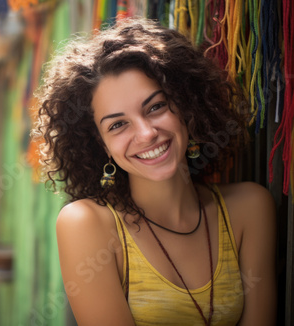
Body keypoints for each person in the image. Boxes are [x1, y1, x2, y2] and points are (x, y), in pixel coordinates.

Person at [32, 18, 277, 325]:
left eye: (156, 107)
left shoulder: (249, 208)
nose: (147, 133)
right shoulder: (87, 225)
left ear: (186, 107)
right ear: (101, 144)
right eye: (118, 125)